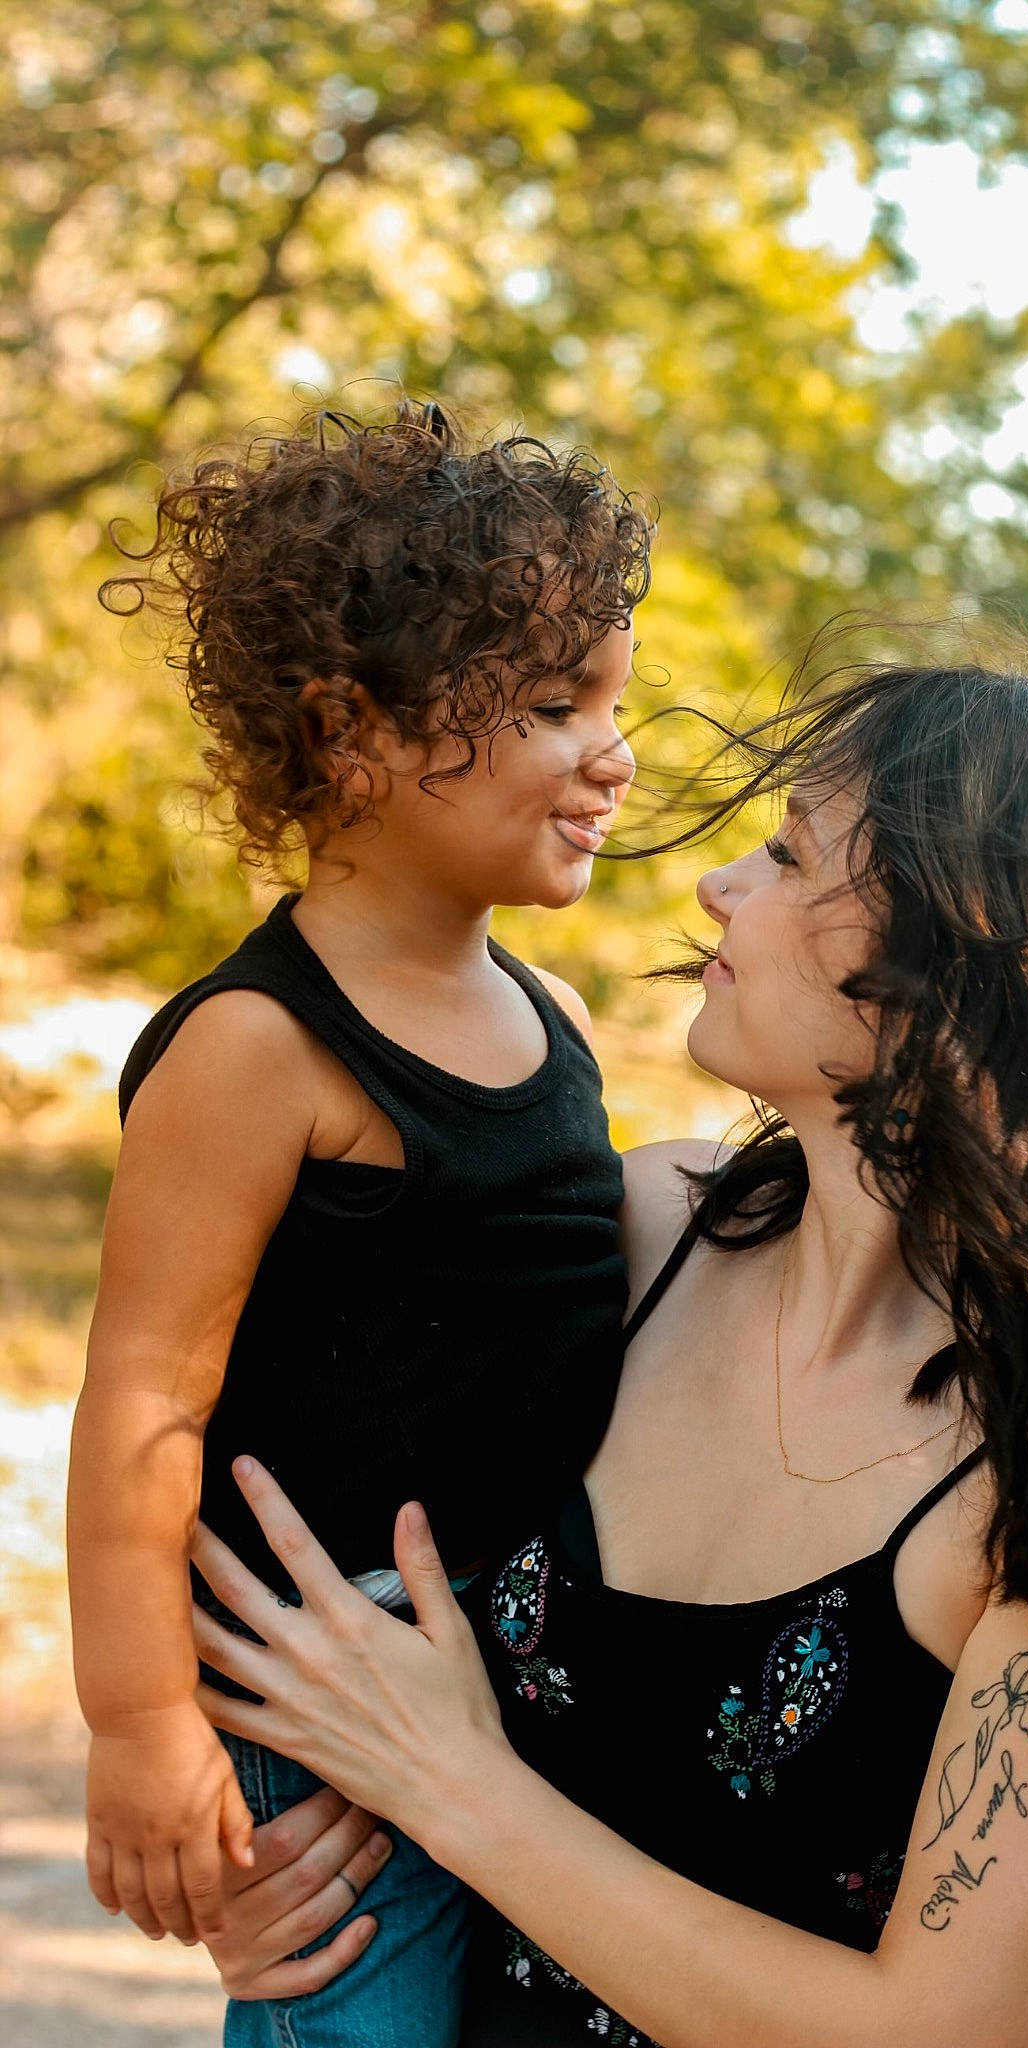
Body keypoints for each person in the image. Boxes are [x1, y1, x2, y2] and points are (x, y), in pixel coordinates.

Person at [187, 658, 1028, 2047]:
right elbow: (310, 1580)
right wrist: (273, 1877)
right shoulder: (632, 1233)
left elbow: (934, 2035)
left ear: (968, 960)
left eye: (790, 854)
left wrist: (454, 1787)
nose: (718, 887)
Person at [66, 398, 651, 2047]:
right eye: (555, 707)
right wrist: (140, 1724)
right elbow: (143, 1398)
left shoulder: (556, 1018)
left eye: (613, 704)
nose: (614, 754)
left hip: (525, 1668)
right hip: (328, 1692)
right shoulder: (260, 1048)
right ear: (352, 731)